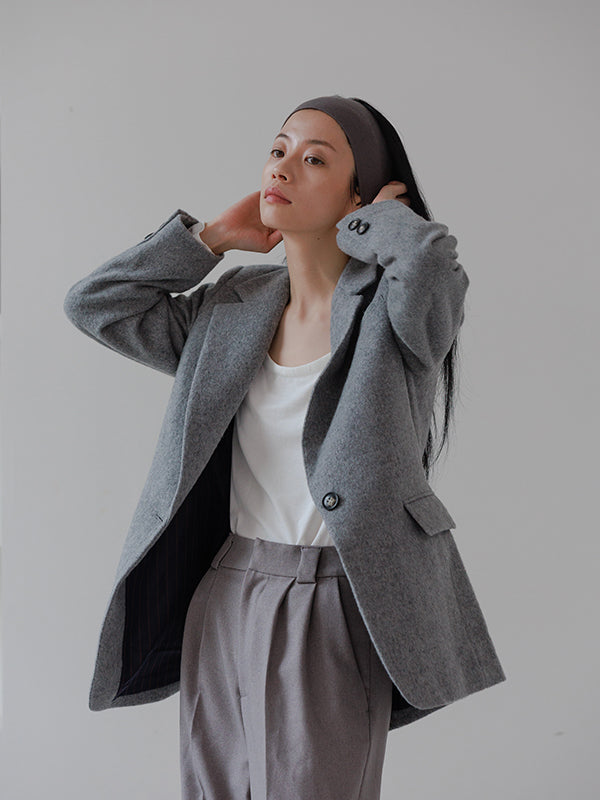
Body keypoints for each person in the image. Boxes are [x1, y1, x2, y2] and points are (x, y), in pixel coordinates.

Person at [63, 94, 506, 800]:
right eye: (278, 150)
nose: (282, 168)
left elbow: (431, 265)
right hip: (225, 586)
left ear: (361, 196)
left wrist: (378, 222)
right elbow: (97, 304)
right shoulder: (232, 306)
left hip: (333, 595)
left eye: (314, 159)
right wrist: (210, 239)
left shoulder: (396, 314)